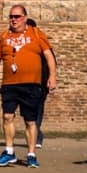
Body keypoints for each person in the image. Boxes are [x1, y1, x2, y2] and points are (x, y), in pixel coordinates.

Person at [0, 5, 56, 168]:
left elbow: (49, 56)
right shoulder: (3, 37)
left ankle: (31, 154)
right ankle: (9, 151)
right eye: (11, 17)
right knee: (7, 116)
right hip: (9, 84)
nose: (13, 20)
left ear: (24, 17)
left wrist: (52, 76)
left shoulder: (36, 34)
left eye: (17, 17)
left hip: (31, 84)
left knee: (30, 121)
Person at [25, 18, 53, 147]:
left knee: (38, 108)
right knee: (30, 109)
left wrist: (50, 78)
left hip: (40, 82)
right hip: (27, 82)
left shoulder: (41, 41)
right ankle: (36, 134)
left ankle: (36, 136)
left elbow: (50, 61)